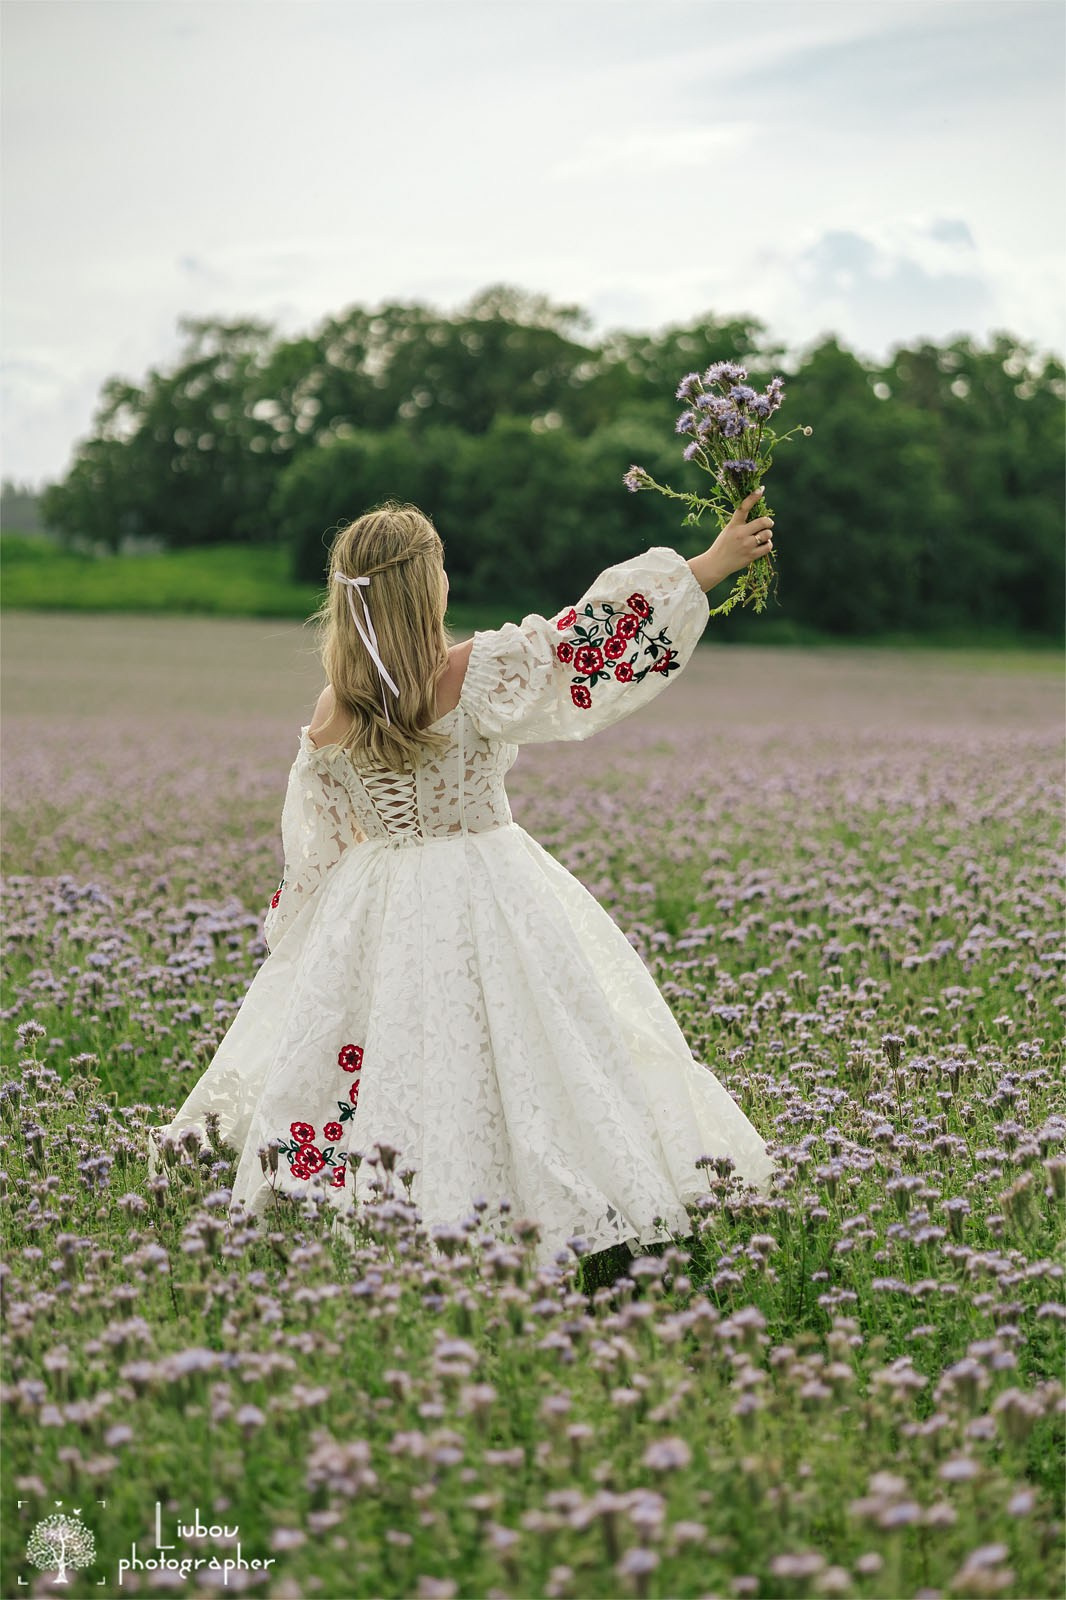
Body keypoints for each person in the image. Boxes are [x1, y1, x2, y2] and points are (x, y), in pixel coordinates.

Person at [147, 492, 779, 1275]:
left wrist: (301, 936)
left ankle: (399, 1213)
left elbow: (314, 849)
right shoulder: (473, 671)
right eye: (439, 567)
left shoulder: (335, 711)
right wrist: (710, 564)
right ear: (426, 588)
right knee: (533, 1047)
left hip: (374, 901)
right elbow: (585, 645)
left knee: (403, 1059)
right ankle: (551, 1219)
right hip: (490, 882)